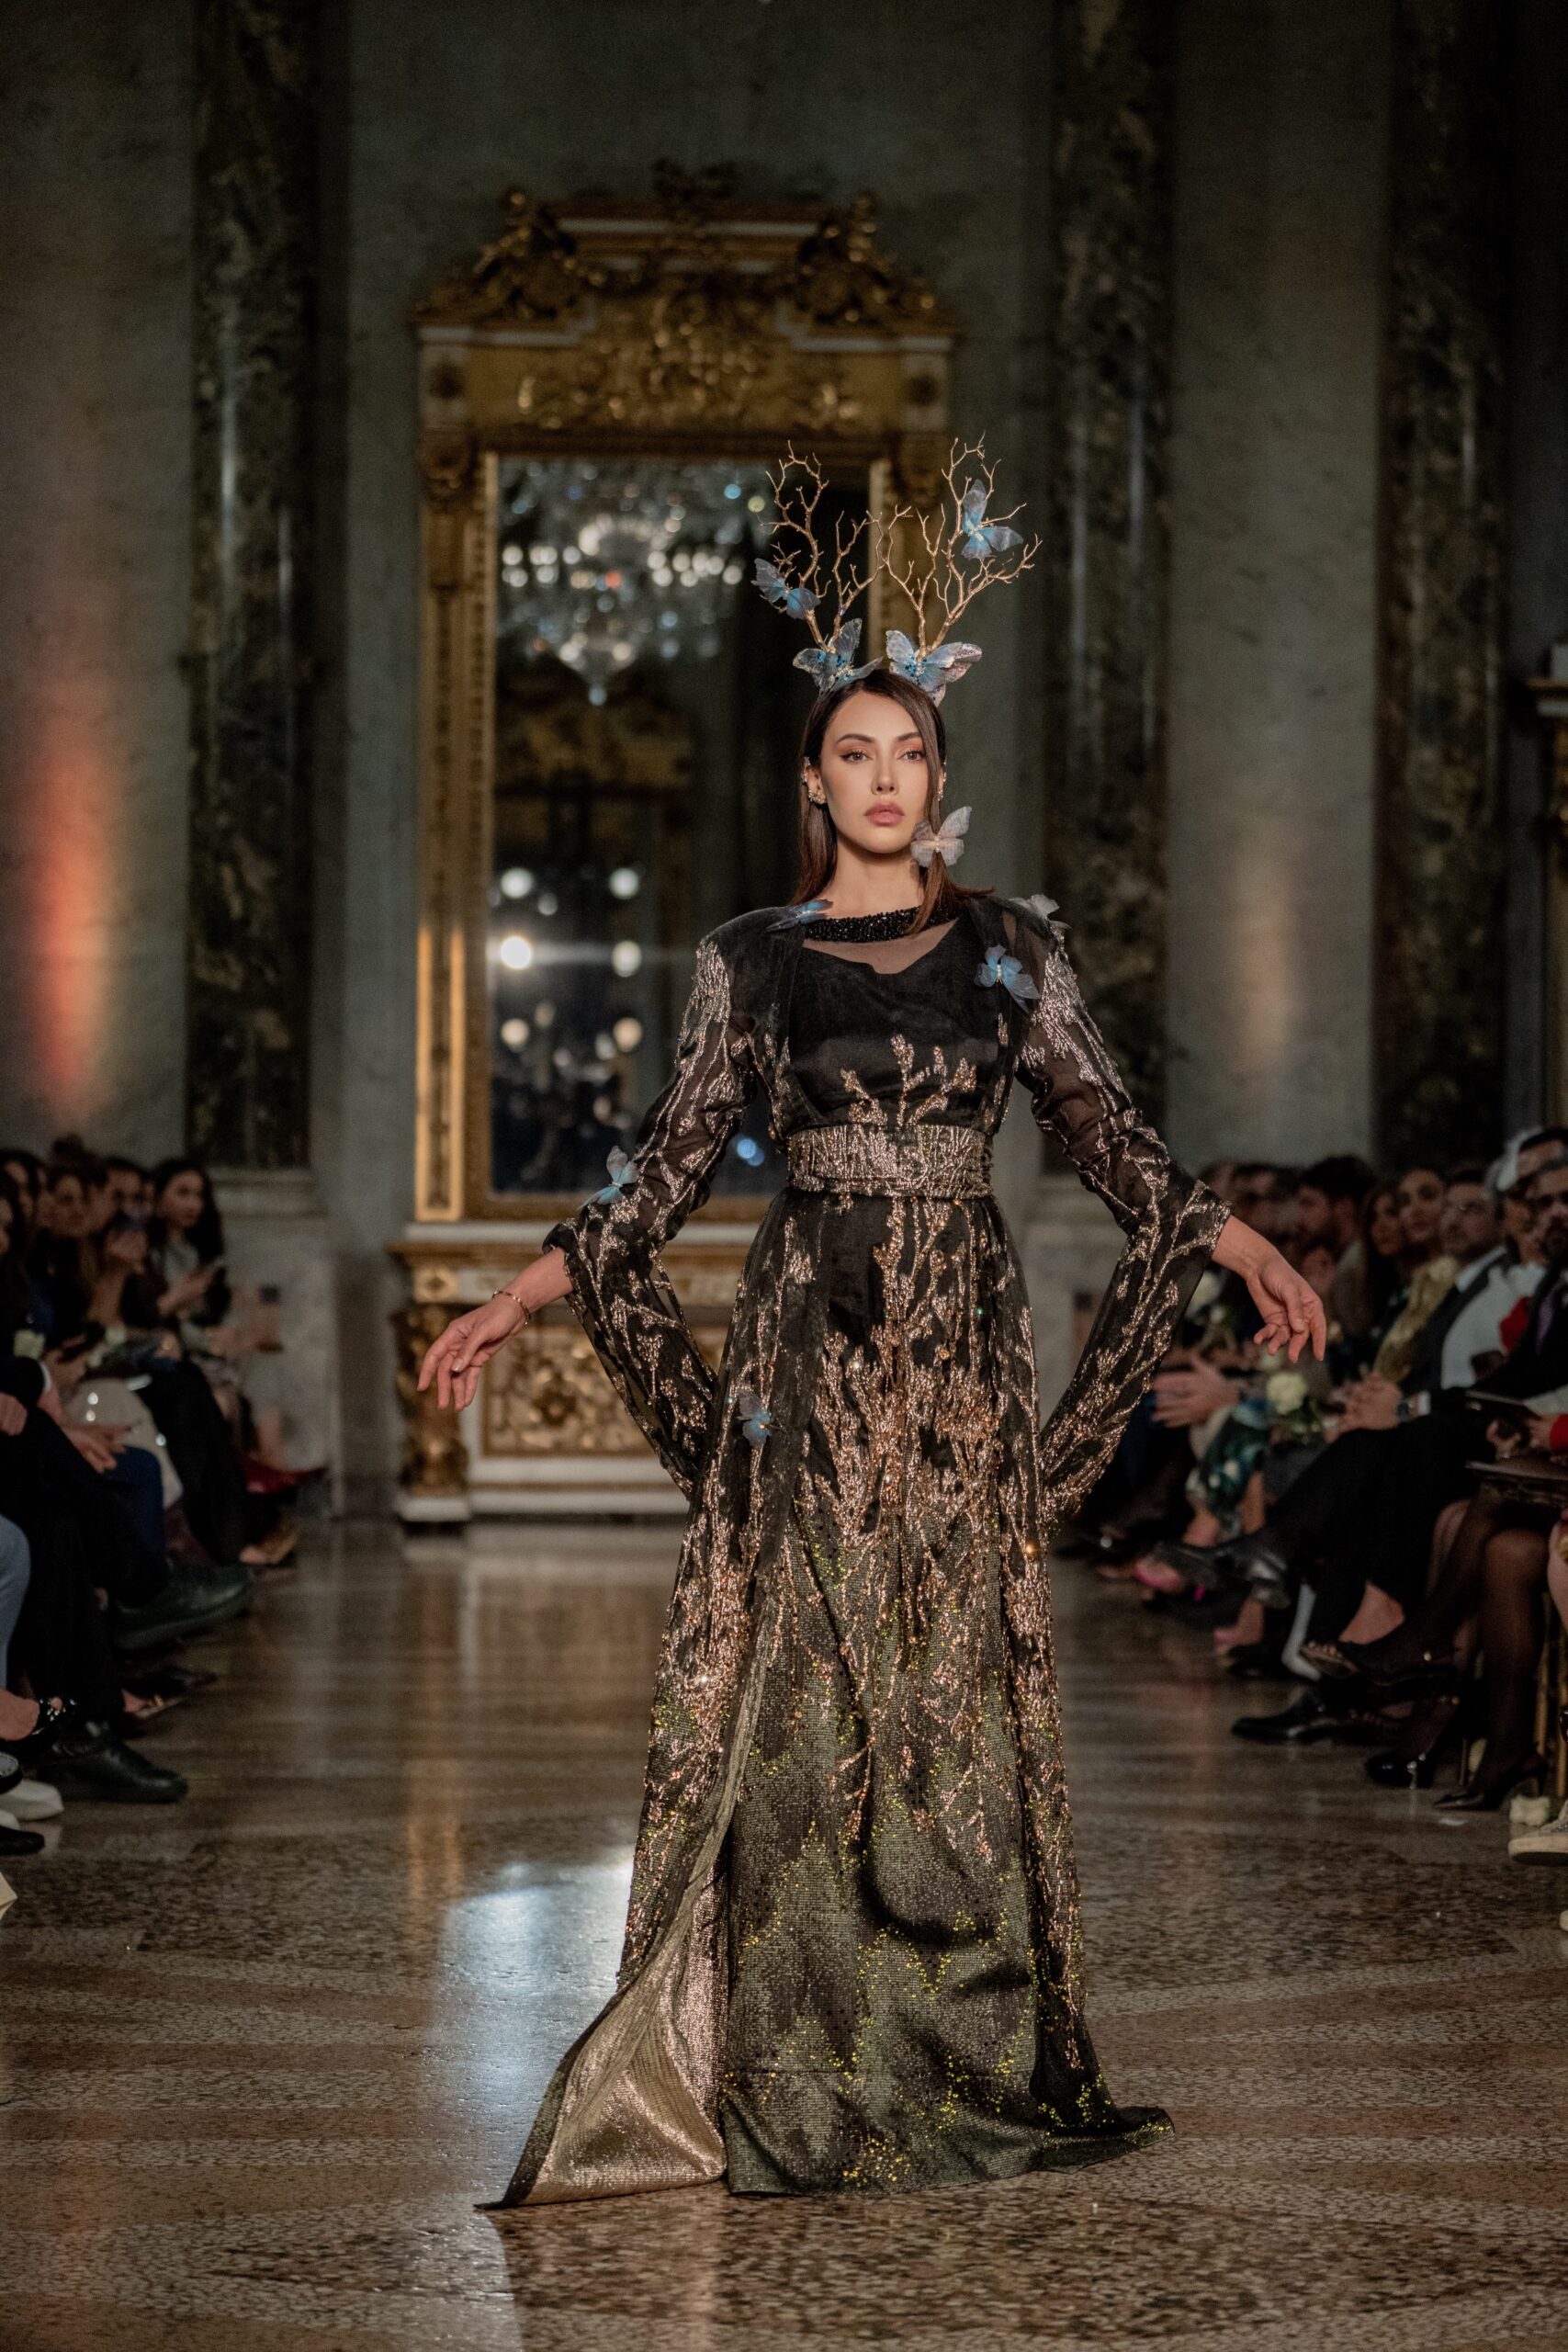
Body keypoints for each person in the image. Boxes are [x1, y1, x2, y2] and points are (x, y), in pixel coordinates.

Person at [419, 455, 1323, 2207]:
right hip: (808, 1346)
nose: (887, 775)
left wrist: (1240, 1238)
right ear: (816, 782)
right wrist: (519, 1296)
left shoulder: (1012, 950)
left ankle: (954, 2042)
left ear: (937, 778)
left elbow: (1112, 1137)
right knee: (803, 1682)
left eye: (910, 750)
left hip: (960, 1352)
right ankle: (794, 2044)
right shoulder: (751, 961)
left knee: (947, 1684)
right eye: (857, 750)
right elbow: (666, 1169)